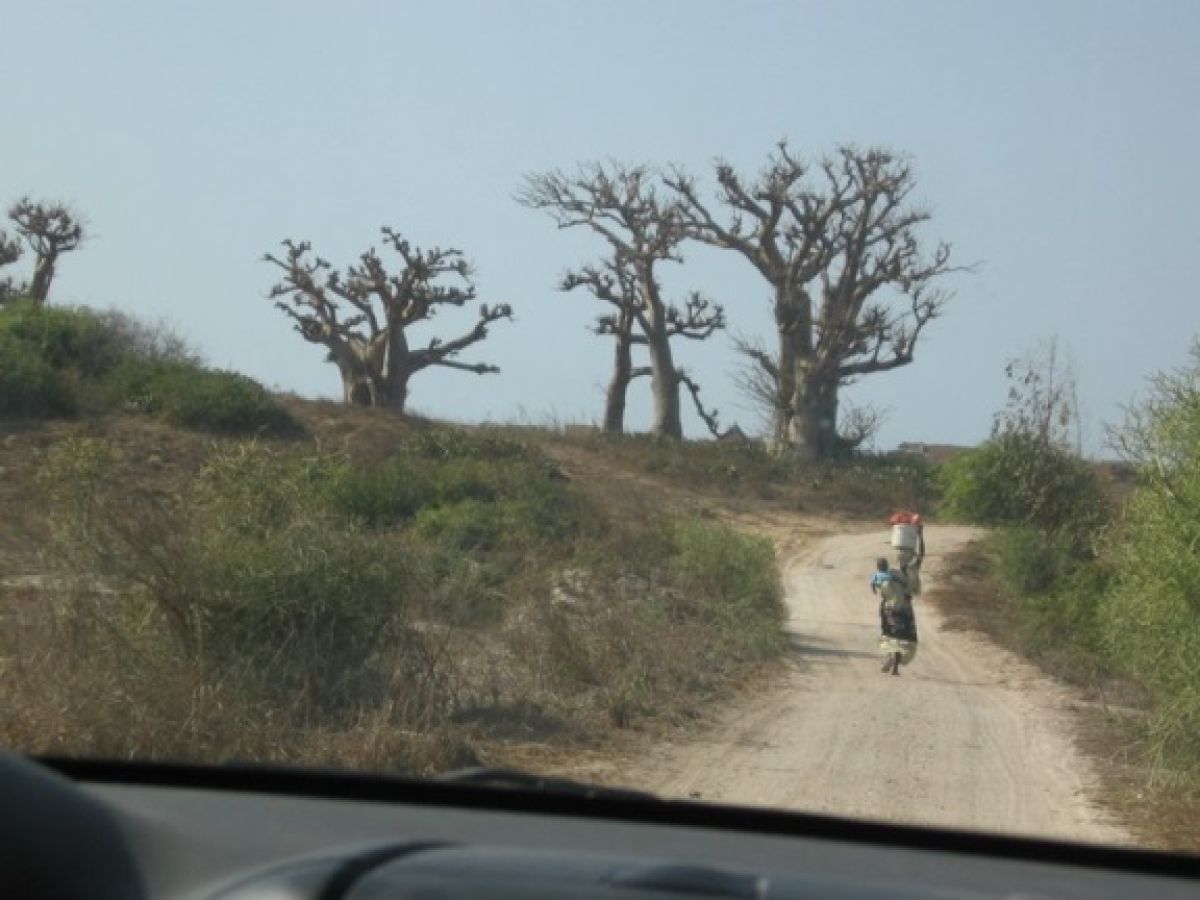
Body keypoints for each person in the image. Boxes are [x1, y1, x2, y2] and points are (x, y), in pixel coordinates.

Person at [871, 526, 925, 676]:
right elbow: (921, 554)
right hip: (904, 609)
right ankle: (894, 666)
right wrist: (920, 536)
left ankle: (890, 661)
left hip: (888, 609)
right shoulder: (911, 569)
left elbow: (880, 589)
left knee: (891, 636)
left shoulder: (892, 573)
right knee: (903, 638)